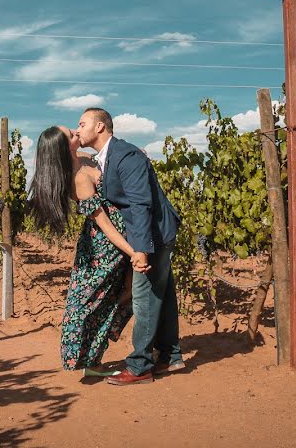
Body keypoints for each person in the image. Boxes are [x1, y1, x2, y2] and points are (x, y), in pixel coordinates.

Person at [76, 107, 184, 386]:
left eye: (82, 123)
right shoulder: (105, 157)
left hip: (153, 235)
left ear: (100, 127)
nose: (78, 129)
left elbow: (139, 205)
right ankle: (170, 357)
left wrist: (141, 250)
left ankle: (140, 366)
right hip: (151, 234)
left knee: (144, 296)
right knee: (162, 294)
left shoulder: (126, 155)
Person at [29, 125, 139, 377]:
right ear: (63, 146)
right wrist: (132, 251)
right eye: (71, 134)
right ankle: (90, 362)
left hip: (114, 240)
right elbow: (105, 224)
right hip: (104, 246)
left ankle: (93, 359)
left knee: (116, 295)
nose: (76, 133)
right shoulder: (77, 177)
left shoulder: (87, 158)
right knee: (93, 302)